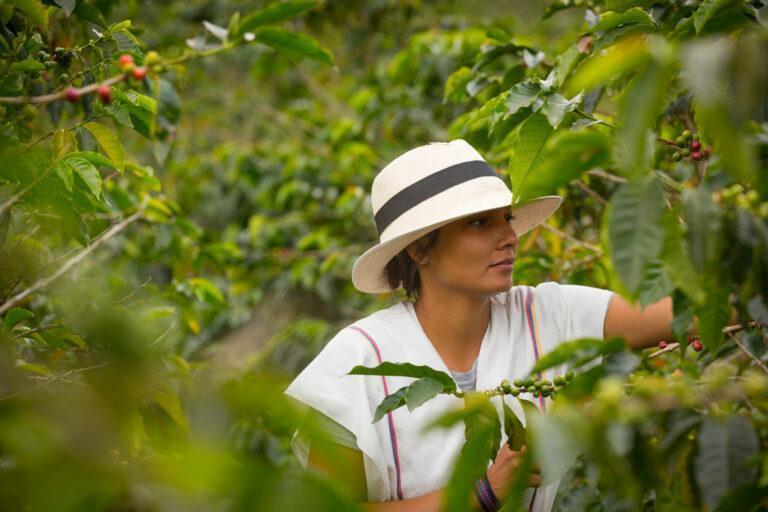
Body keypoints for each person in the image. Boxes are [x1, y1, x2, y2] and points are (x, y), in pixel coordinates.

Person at [284, 139, 675, 512]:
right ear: (420, 248)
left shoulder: (549, 313)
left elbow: (684, 315)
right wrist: (482, 494)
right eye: (479, 223)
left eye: (505, 219)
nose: (509, 237)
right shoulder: (356, 364)